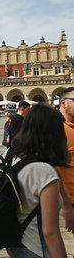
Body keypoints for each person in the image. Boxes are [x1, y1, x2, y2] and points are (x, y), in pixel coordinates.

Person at [4, 104, 67, 257]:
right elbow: (50, 233)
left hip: (12, 241)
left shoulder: (10, 154)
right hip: (34, 247)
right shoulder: (44, 172)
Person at [56, 87, 74, 234]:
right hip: (70, 199)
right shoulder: (56, 130)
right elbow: (52, 170)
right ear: (63, 103)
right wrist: (66, 205)